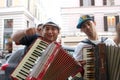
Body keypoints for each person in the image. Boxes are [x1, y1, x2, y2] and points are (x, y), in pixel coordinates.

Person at [73, 15, 116, 79]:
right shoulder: (81, 46)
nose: (87, 27)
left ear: (94, 23)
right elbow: (74, 70)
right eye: (84, 26)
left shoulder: (109, 42)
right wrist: (78, 67)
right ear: (82, 30)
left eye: (89, 24)